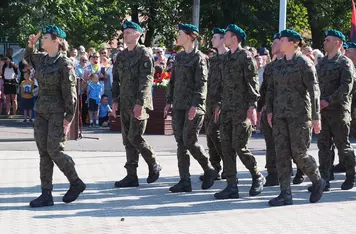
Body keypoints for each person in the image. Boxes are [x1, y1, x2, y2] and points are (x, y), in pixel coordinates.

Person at [25, 25, 86, 208]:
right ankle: (46, 193)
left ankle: (76, 182)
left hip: (58, 112)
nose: (42, 40)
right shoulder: (42, 59)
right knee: (43, 152)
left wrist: (68, 118)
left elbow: (70, 94)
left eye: (45, 37)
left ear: (56, 41)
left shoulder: (64, 64)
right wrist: (31, 44)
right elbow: (28, 57)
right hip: (41, 110)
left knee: (54, 150)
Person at [266, 29, 326, 206]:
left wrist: (316, 118)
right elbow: (271, 90)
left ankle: (317, 180)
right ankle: (285, 193)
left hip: (299, 116)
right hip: (279, 115)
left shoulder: (304, 63)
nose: (279, 42)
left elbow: (314, 92)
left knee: (299, 153)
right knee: (282, 154)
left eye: (282, 39)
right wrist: (269, 111)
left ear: (293, 42)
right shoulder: (278, 65)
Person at [164, 23, 218, 193]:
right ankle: (184, 180)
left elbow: (202, 84)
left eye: (179, 34)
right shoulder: (179, 57)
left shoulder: (200, 58)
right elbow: (172, 81)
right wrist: (168, 101)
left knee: (190, 141)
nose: (177, 37)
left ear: (188, 36)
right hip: (179, 105)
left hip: (193, 106)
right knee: (180, 143)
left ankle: (209, 169)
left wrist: (196, 104)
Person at [213, 24, 265, 200]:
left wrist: (252, 107)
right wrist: (219, 104)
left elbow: (252, 84)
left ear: (234, 38)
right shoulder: (226, 58)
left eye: (226, 35)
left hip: (241, 110)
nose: (224, 38)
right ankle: (231, 185)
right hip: (227, 108)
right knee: (226, 147)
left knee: (239, 146)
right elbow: (223, 84)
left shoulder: (246, 57)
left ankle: (257, 175)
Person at [112, 21, 161, 188]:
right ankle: (131, 175)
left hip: (139, 103)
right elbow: (116, 80)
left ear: (138, 35)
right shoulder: (121, 56)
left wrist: (140, 103)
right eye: (124, 32)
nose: (125, 35)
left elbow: (147, 80)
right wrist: (115, 100)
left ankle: (153, 163)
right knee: (127, 140)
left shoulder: (144, 53)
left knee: (135, 137)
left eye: (128, 32)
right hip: (125, 102)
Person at [313, 30, 356, 192]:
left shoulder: (344, 63)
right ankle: (324, 179)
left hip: (338, 111)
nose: (324, 42)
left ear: (338, 43)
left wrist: (328, 101)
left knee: (343, 146)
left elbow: (346, 88)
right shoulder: (322, 63)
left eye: (328, 40)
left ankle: (351, 175)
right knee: (324, 146)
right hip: (323, 113)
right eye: (324, 40)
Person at [199, 28, 228, 182]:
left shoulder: (229, 58)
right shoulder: (213, 60)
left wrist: (221, 103)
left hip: (222, 104)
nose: (212, 40)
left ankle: (228, 165)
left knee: (215, 133)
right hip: (209, 102)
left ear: (223, 39)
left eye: (214, 37)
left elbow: (229, 85)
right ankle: (215, 168)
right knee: (210, 137)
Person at [257, 33, 282, 187]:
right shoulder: (270, 68)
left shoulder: (294, 64)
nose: (272, 46)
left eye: (275, 43)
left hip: (286, 111)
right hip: (269, 111)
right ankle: (273, 172)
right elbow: (264, 90)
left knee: (287, 145)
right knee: (270, 143)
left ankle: (298, 170)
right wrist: (259, 109)